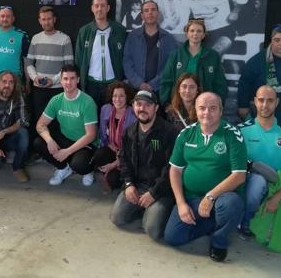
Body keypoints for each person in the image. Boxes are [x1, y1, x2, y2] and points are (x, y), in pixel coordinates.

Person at [164, 92, 247, 262]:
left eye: (213, 108)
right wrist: (181, 204)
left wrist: (210, 197)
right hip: (192, 198)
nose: (206, 113)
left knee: (231, 205)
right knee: (173, 237)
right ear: (195, 110)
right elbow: (175, 171)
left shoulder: (233, 135)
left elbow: (239, 176)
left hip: (222, 197)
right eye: (202, 108)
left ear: (221, 111)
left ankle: (219, 241)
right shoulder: (186, 134)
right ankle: (212, 223)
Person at [237, 85, 281, 240]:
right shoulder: (241, 130)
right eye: (261, 100)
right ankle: (245, 222)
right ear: (255, 102)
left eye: (270, 101)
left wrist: (277, 198)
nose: (264, 105)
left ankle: (266, 216)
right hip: (250, 187)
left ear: (277, 103)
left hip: (279, 189)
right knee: (258, 181)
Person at [111, 90, 177, 240]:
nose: (142, 108)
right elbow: (124, 160)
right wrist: (129, 185)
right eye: (139, 104)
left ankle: (161, 209)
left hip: (161, 189)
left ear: (156, 108)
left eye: (148, 105)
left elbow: (171, 168)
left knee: (152, 230)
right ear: (133, 106)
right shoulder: (129, 132)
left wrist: (153, 193)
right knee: (117, 218)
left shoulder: (168, 132)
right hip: (137, 185)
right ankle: (144, 207)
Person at [34, 64, 98, 187]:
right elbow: (40, 124)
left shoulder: (87, 101)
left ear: (78, 80)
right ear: (61, 80)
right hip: (65, 139)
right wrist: (49, 140)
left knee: (79, 165)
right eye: (65, 79)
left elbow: (91, 135)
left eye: (72, 78)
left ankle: (88, 171)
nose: (68, 82)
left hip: (85, 144)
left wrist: (67, 152)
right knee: (39, 142)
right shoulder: (56, 100)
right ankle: (63, 168)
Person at [25, 6, 74, 129]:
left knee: (57, 122)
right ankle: (40, 147)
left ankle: (56, 147)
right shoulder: (35, 39)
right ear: (40, 21)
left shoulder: (65, 39)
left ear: (54, 19)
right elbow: (29, 63)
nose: (46, 22)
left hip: (57, 88)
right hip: (38, 88)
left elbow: (69, 66)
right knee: (39, 119)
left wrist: (54, 80)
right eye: (43, 19)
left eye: (49, 19)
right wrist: (34, 77)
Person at [237, 24, 281, 124]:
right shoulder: (256, 61)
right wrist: (243, 107)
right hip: (264, 120)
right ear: (271, 41)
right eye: (277, 40)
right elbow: (244, 84)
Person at [159, 18, 227, 106]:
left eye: (199, 31)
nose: (195, 34)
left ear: (203, 35)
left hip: (205, 106)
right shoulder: (176, 55)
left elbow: (220, 83)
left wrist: (218, 104)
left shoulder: (213, 56)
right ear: (187, 33)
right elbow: (166, 81)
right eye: (192, 31)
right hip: (179, 105)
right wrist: (166, 104)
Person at [75, 0, 126, 108]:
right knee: (91, 116)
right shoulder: (84, 31)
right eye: (96, 6)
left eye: (102, 6)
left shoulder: (119, 30)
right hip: (91, 84)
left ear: (108, 8)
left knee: (111, 116)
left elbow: (125, 57)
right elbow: (78, 59)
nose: (99, 9)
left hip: (113, 83)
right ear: (92, 8)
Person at [123, 0, 176, 93]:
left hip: (159, 89)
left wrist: (153, 84)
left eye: (153, 10)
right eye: (146, 10)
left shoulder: (168, 38)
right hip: (135, 89)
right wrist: (139, 83)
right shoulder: (133, 36)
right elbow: (127, 62)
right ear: (142, 15)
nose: (150, 13)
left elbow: (170, 65)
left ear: (158, 13)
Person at [92, 82, 137, 191]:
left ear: (127, 97)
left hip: (128, 154)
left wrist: (113, 164)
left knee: (114, 180)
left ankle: (115, 174)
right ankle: (108, 172)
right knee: (98, 156)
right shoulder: (106, 109)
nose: (118, 99)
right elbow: (103, 135)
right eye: (115, 96)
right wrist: (109, 145)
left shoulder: (133, 114)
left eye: (121, 96)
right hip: (112, 148)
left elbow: (133, 147)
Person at [0, 6, 30, 86]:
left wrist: (28, 81)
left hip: (15, 78)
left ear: (13, 18)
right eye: (2, 16)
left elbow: (26, 60)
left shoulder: (22, 35)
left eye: (8, 16)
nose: (5, 19)